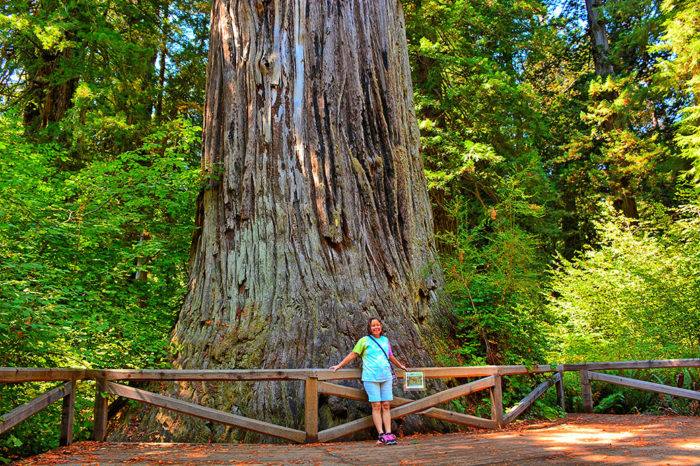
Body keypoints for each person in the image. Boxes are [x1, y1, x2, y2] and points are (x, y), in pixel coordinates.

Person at [330, 317, 408, 445]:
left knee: (386, 405)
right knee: (376, 405)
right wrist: (339, 365)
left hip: (386, 377)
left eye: (378, 325)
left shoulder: (385, 340)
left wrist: (400, 366)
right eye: (373, 326)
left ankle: (389, 433)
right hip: (371, 378)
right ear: (369, 328)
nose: (376, 327)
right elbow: (353, 354)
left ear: (381, 327)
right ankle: (381, 435)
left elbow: (390, 356)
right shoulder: (364, 341)